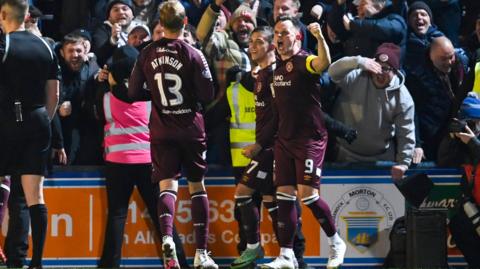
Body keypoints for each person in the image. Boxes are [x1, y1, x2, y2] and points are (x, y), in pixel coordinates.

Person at [128, 1, 218, 269]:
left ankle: (167, 236)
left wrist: (155, 95)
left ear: (160, 23)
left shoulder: (146, 53)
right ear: (185, 21)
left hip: (161, 129)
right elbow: (208, 95)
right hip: (190, 127)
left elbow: (133, 93)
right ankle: (201, 253)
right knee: (196, 186)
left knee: (167, 186)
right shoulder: (192, 53)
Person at [259, 16, 346, 269]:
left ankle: (335, 241)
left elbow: (323, 63)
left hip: (309, 140)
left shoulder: (303, 61)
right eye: (276, 33)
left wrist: (319, 38)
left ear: (297, 36)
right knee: (284, 196)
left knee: (308, 197)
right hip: (284, 141)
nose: (278, 37)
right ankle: (286, 255)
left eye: (284, 32)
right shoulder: (276, 68)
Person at [0, 1, 60, 269]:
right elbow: (54, 95)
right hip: (38, 120)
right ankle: (31, 261)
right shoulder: (46, 45)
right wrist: (42, 120)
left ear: (3, 15)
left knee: (4, 187)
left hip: (7, 120)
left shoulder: (4, 45)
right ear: (27, 16)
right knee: (32, 196)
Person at [328, 43, 415, 180]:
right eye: (377, 66)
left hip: (381, 158)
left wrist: (403, 163)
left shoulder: (402, 96)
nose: (379, 72)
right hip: (344, 154)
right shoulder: (356, 75)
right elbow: (332, 72)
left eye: (386, 69)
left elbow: (406, 132)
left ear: (395, 71)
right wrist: (358, 61)